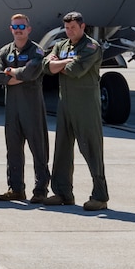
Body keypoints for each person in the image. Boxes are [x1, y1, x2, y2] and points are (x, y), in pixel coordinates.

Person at [45, 11, 109, 210]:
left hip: (85, 103)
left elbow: (76, 70)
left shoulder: (91, 46)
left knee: (91, 147)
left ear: (83, 26)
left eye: (74, 27)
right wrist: (63, 63)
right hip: (65, 102)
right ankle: (63, 193)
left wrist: (59, 64)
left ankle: (100, 196)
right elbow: (46, 67)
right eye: (67, 27)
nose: (70, 30)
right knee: (62, 147)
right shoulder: (61, 45)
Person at [0, 14, 51, 202]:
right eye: (15, 26)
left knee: (38, 149)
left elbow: (32, 71)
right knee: (13, 150)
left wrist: (11, 73)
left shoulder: (37, 51)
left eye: (22, 26)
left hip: (32, 108)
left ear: (29, 29)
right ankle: (16, 188)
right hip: (12, 110)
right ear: (11, 29)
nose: (18, 29)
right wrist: (19, 76)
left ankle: (41, 190)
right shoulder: (4, 51)